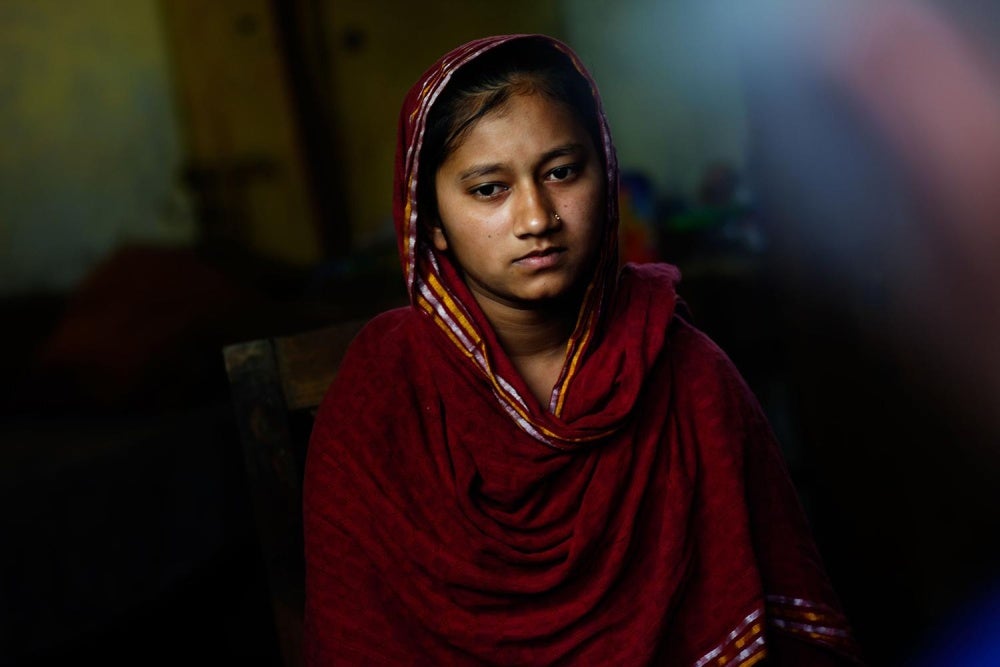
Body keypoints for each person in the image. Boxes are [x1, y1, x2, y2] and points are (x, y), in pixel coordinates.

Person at [303, 34, 862, 666]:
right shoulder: (381, 395)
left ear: (607, 175)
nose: (536, 218)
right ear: (429, 220)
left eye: (562, 173)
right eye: (488, 189)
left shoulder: (688, 375)